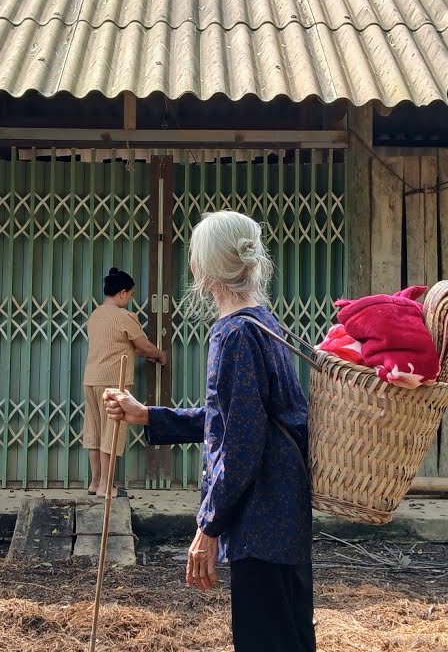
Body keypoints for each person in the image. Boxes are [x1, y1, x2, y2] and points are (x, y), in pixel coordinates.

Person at [105, 211, 314, 652]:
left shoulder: (234, 334)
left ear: (200, 268)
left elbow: (240, 444)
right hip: (285, 514)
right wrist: (149, 416)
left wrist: (208, 526)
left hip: (259, 523)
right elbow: (236, 417)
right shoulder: (263, 323)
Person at [83, 267, 166, 497]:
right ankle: (106, 488)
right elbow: (143, 345)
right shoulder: (124, 317)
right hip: (112, 381)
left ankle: (95, 482)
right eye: (130, 294)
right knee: (112, 432)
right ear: (121, 293)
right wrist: (159, 354)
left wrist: (142, 354)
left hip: (91, 380)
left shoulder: (95, 315)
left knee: (95, 431)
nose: (130, 299)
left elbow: (116, 346)